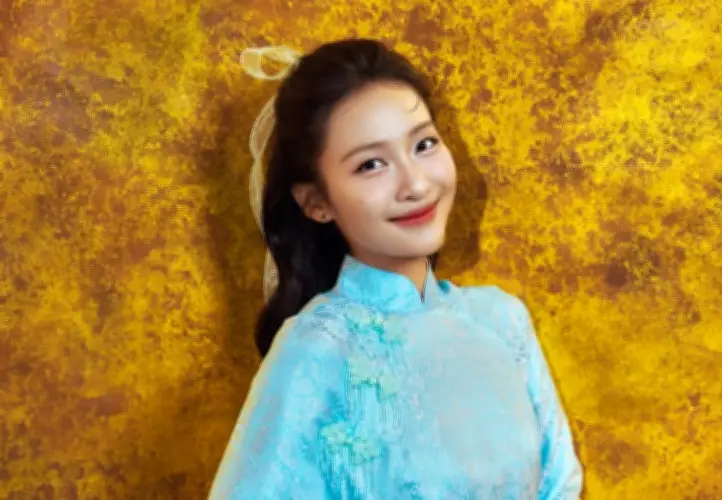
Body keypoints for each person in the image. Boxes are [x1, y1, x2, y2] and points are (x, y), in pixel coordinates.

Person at [210, 38, 583, 500]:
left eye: (424, 144)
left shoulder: (502, 320)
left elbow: (560, 485)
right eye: (371, 165)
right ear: (316, 202)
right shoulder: (316, 348)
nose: (416, 184)